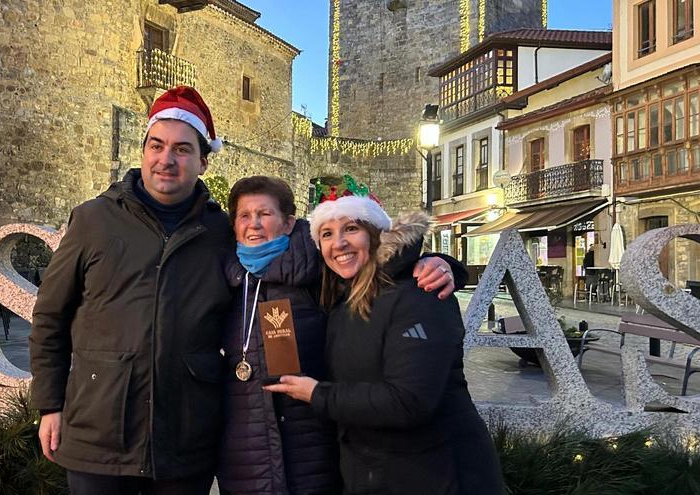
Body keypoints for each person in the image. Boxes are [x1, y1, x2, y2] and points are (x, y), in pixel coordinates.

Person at [29, 86, 231, 494]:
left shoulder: (221, 232)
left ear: (203, 161)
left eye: (182, 149)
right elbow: (51, 316)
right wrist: (49, 406)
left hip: (185, 433)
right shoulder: (93, 220)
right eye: (156, 145)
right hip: (98, 429)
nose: (166, 160)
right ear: (143, 152)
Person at [218, 176, 467, 495]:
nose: (254, 224)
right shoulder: (225, 278)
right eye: (244, 215)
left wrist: (441, 265)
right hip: (249, 458)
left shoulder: (318, 272)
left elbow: (389, 271)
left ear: (289, 223)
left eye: (265, 213)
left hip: (326, 455)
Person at [265, 186, 505, 495]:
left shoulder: (418, 292)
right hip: (375, 474)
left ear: (376, 234)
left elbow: (409, 402)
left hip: (438, 476)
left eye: (351, 228)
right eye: (326, 234)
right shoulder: (342, 298)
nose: (338, 243)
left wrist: (317, 395)